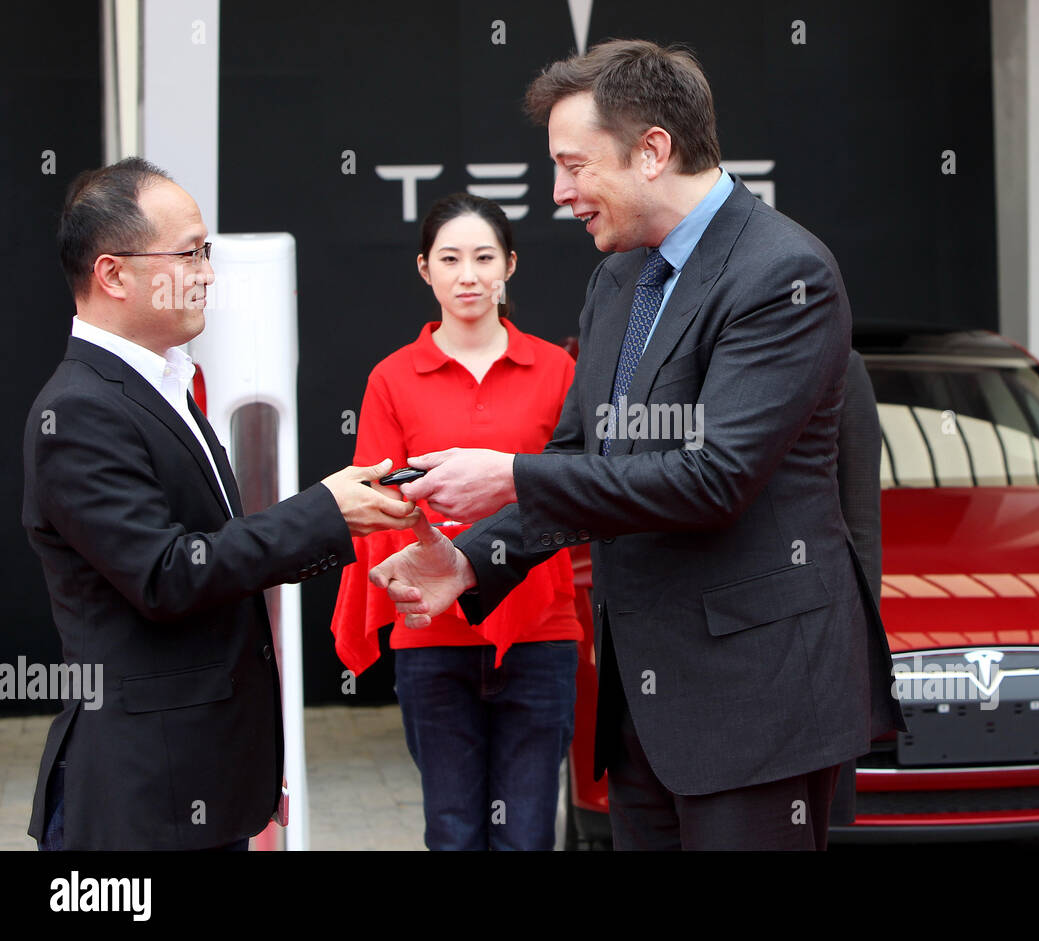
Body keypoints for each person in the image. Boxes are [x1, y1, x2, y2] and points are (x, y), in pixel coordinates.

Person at [370, 40, 906, 850]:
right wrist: (473, 560)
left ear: (653, 151)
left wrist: (511, 475)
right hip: (644, 714)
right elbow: (587, 456)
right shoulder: (619, 276)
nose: (561, 194)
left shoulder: (783, 272)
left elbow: (715, 478)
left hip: (756, 708)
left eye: (575, 165)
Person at [22, 157, 419, 851]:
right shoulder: (80, 410)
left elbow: (214, 558)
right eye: (191, 252)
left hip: (199, 784)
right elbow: (166, 575)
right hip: (144, 799)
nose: (208, 272)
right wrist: (324, 510)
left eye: (207, 252)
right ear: (113, 273)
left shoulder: (162, 383)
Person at [329, 193, 582, 850]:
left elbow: (579, 492)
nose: (468, 274)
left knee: (527, 834)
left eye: (483, 257)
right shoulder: (391, 378)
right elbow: (372, 497)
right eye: (450, 258)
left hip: (542, 629)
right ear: (424, 270)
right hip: (432, 634)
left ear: (510, 266)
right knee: (451, 829)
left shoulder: (557, 370)